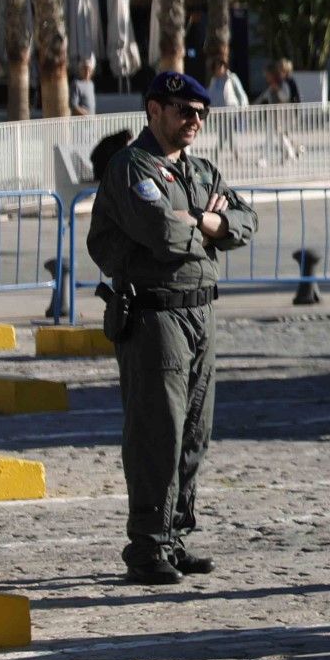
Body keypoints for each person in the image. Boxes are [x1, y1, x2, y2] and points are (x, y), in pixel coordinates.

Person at [85, 71, 258, 584]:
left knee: (194, 433)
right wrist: (207, 229)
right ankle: (146, 547)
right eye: (184, 111)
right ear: (154, 111)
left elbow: (246, 221)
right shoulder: (131, 166)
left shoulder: (200, 170)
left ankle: (174, 537)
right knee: (157, 431)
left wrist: (205, 222)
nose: (194, 120)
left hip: (201, 311)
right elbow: (160, 231)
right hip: (154, 312)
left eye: (200, 113)